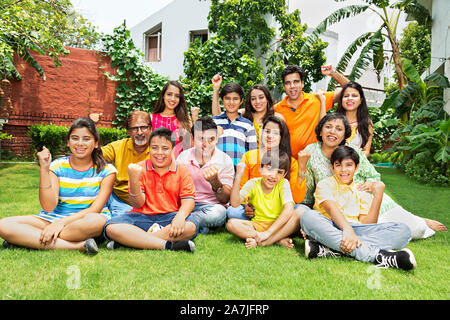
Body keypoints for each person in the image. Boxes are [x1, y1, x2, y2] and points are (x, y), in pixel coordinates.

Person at [302, 113, 447, 239]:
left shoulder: (352, 151)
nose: (332, 132)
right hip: (343, 210)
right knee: (373, 230)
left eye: (339, 129)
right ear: (320, 130)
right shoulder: (311, 152)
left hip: (369, 202)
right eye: (328, 127)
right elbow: (308, 187)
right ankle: (400, 221)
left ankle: (419, 221)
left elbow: (374, 176)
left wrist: (370, 185)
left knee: (417, 229)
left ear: (344, 135)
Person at [0, 117, 117, 254]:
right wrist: (44, 168)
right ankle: (78, 246)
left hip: (85, 220)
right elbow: (48, 206)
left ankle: (29, 239)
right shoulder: (57, 166)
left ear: (96, 143)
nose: (80, 143)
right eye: (74, 138)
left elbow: (94, 209)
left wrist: (60, 224)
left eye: (86, 139)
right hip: (52, 219)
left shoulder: (107, 171)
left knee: (98, 221)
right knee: (3, 225)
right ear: (68, 142)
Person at [300, 146, 416, 271]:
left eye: (348, 165)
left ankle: (332, 248)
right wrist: (347, 230)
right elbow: (332, 209)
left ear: (357, 167)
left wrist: (378, 196)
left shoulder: (361, 190)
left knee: (403, 231)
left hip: (355, 231)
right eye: (338, 165)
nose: (343, 170)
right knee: (308, 217)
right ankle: (378, 256)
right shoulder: (325, 184)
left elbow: (368, 224)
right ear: (332, 167)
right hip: (330, 226)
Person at [104, 127, 198, 252]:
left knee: (190, 226)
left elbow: (188, 200)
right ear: (149, 148)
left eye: (165, 148)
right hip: (141, 217)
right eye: (154, 148)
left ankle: (132, 242)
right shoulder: (138, 168)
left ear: (172, 150)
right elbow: (137, 203)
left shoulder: (181, 170)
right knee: (111, 228)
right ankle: (167, 245)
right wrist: (134, 180)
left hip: (170, 217)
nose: (159, 153)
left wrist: (180, 216)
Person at [226, 115, 309, 224]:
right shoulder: (249, 156)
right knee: (233, 211)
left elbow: (297, 198)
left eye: (275, 133)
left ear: (281, 137)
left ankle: (272, 226)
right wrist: (247, 205)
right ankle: (279, 227)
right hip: (255, 208)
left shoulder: (291, 161)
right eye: (267, 131)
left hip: (280, 209)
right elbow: (242, 189)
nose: (270, 136)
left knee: (303, 210)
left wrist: (302, 169)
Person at [274, 64, 350, 159]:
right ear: (284, 86)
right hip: (290, 165)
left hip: (316, 164)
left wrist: (333, 73)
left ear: (302, 83)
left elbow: (350, 89)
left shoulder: (317, 99)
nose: (292, 86)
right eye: (288, 83)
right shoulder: (276, 109)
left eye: (296, 82)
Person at [227, 151, 298, 249]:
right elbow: (234, 203)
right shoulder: (253, 184)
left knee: (298, 214)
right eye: (270, 169)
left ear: (284, 174)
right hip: (257, 226)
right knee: (231, 224)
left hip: (278, 226)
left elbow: (289, 209)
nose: (273, 175)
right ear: (261, 168)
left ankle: (263, 240)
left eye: (279, 172)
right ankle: (276, 240)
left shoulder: (283, 183)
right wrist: (238, 176)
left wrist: (269, 232)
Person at [177, 116, 235, 234]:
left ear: (217, 138)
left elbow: (225, 199)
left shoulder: (225, 160)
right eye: (201, 139)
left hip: (211, 207)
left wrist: (215, 183)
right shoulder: (183, 157)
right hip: (185, 203)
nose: (206, 144)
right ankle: (198, 225)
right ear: (192, 138)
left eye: (211, 139)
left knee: (219, 214)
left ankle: (185, 221)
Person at [100, 110, 152, 217]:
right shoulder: (119, 146)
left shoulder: (158, 150)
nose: (139, 132)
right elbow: (95, 156)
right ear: (128, 131)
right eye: (134, 128)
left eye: (143, 127)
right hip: (116, 198)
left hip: (145, 203)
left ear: (150, 129)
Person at [210, 77, 257, 166]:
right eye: (227, 98)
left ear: (241, 101)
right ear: (222, 100)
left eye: (235, 99)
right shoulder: (214, 122)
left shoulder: (248, 125)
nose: (231, 102)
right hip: (216, 172)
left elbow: (252, 156)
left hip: (239, 174)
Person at [152, 81, 193, 158]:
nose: (173, 99)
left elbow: (190, 147)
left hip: (180, 167)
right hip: (157, 166)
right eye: (169, 94)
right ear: (163, 95)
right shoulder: (152, 118)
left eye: (177, 96)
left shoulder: (186, 119)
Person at [335, 81, 373, 157]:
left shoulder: (367, 122)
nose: (350, 98)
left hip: (357, 165)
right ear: (341, 100)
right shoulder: (334, 121)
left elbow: (366, 151)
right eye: (346, 96)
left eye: (354, 96)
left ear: (361, 100)